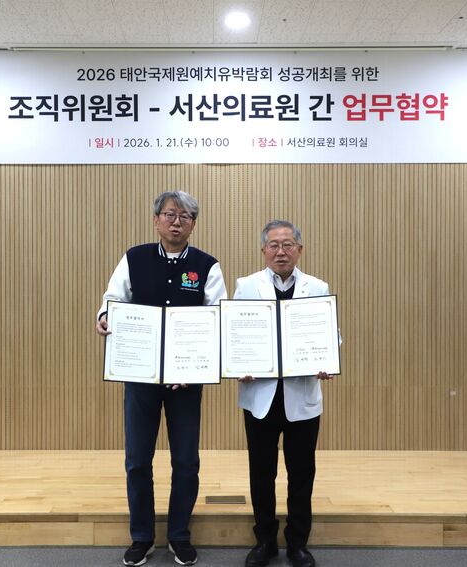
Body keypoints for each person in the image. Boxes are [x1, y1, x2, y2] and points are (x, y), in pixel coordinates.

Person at [97, 190, 227, 567]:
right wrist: (105, 316)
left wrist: (193, 366)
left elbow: (217, 319)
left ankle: (179, 535)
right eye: (170, 214)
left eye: (184, 216)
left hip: (187, 381)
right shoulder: (134, 258)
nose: (176, 222)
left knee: (185, 461)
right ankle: (141, 537)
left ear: (193, 224)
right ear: (156, 220)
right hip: (140, 377)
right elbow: (113, 299)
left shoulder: (207, 266)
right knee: (138, 459)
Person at [234, 220, 335, 567]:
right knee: (261, 472)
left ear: (299, 250)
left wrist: (326, 359)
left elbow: (331, 335)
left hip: (301, 396)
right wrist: (237, 361)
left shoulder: (317, 287)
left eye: (288, 244)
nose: (281, 251)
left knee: (301, 473)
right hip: (260, 397)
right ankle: (264, 541)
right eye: (274, 245)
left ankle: (297, 543)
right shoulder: (247, 286)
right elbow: (235, 333)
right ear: (264, 250)